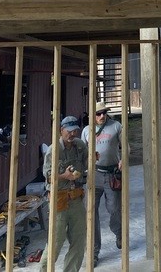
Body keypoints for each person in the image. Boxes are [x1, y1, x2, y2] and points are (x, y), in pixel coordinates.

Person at [40, 116, 87, 272]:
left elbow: (87, 163)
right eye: (69, 131)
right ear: (61, 130)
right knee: (55, 243)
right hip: (58, 201)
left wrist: (94, 158)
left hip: (76, 198)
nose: (72, 134)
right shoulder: (54, 150)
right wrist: (63, 176)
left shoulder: (79, 146)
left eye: (75, 131)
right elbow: (48, 176)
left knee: (79, 240)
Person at [81, 102, 124, 266]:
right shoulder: (86, 131)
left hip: (112, 174)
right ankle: (93, 252)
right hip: (94, 175)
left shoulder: (116, 126)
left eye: (104, 113)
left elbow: (125, 146)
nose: (102, 116)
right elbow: (82, 153)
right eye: (98, 113)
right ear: (92, 115)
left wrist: (124, 159)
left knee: (114, 209)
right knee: (90, 213)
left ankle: (119, 233)